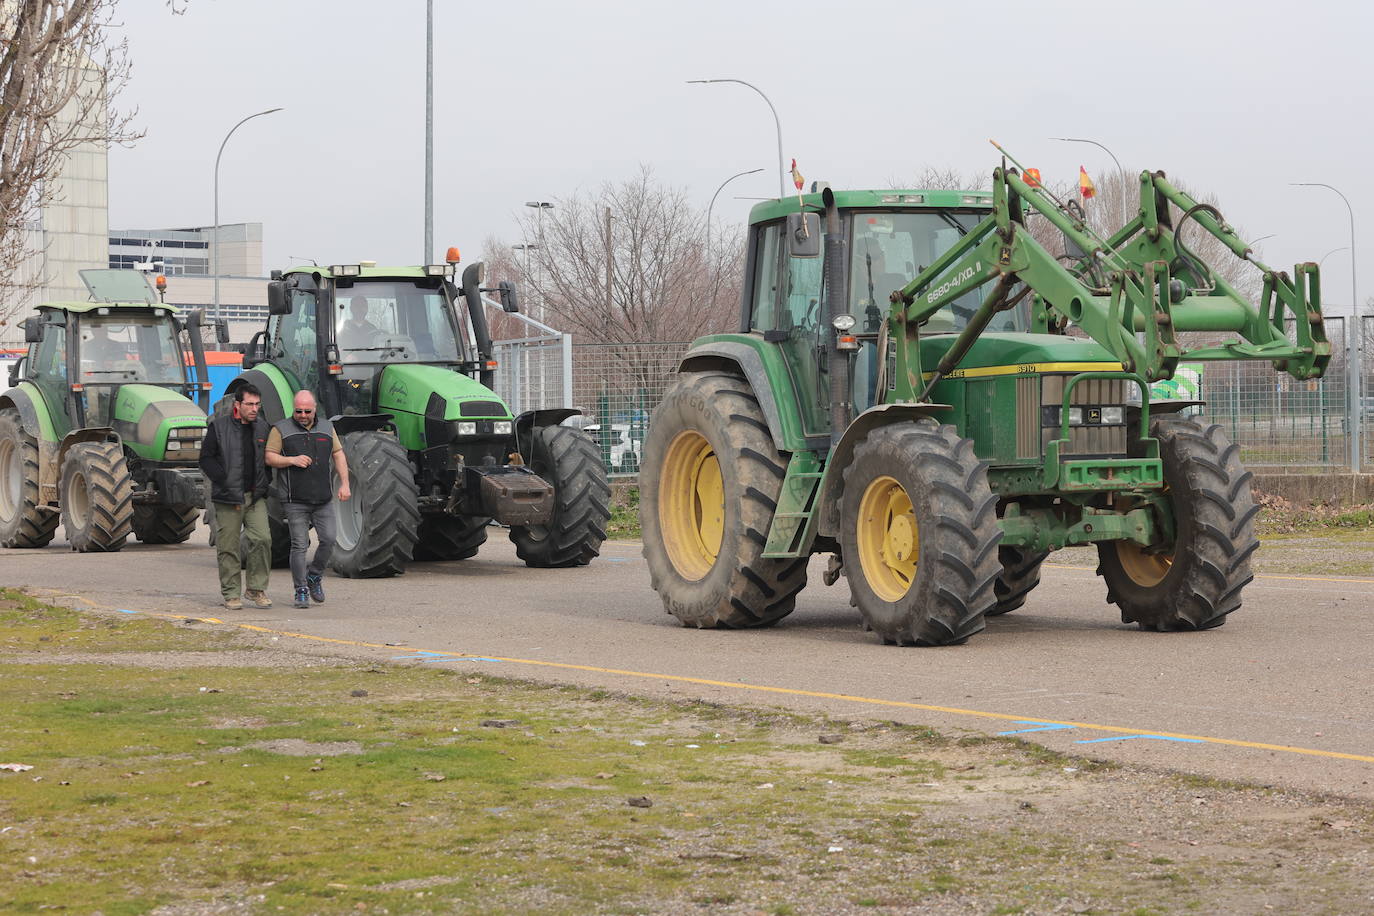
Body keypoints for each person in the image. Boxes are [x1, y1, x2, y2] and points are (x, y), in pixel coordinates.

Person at [265, 390, 351, 609]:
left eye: (307, 411)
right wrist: (291, 460)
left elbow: (338, 454)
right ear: (293, 408)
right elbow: (269, 456)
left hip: (323, 498)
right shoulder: (280, 429)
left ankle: (314, 576)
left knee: (330, 539)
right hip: (295, 500)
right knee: (299, 545)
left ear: (315, 409)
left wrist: (345, 483)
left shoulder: (326, 428)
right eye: (298, 411)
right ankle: (301, 588)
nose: (302, 415)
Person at [199, 384, 274, 610]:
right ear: (237, 405)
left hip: (255, 496)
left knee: (262, 539)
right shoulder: (219, 427)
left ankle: (255, 588)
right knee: (228, 547)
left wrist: (265, 481)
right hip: (229, 497)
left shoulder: (263, 428)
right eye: (250, 404)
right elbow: (206, 458)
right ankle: (231, 594)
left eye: (257, 404)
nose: (254, 409)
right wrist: (221, 478)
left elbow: (268, 459)